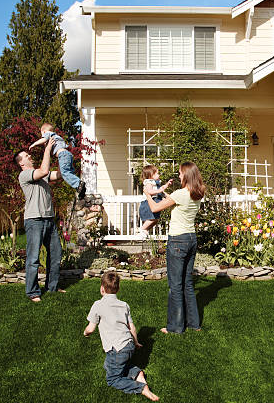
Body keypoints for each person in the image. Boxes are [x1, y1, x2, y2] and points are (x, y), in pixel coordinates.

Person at [145, 162, 205, 334]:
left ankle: (175, 327)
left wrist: (147, 194)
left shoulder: (180, 194)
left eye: (180, 173)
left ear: (186, 175)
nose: (179, 176)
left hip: (178, 241)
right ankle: (194, 324)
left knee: (175, 285)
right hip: (191, 239)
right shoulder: (197, 193)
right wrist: (164, 192)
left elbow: (155, 207)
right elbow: (176, 199)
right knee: (187, 283)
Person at [83, 271, 159, 401]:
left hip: (117, 349)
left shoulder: (98, 305)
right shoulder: (124, 305)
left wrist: (85, 333)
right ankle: (137, 373)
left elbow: (90, 329)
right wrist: (136, 342)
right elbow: (132, 327)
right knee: (108, 365)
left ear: (102, 288)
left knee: (112, 379)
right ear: (118, 288)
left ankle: (140, 388)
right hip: (129, 345)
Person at [14, 139, 66, 302]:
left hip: (49, 219)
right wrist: (47, 148)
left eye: (28, 154)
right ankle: (32, 292)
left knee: (56, 254)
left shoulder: (40, 174)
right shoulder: (24, 175)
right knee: (33, 258)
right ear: (21, 163)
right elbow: (44, 170)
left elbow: (58, 175)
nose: (29, 156)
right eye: (26, 156)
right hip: (34, 220)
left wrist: (64, 159)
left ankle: (52, 286)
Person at [29, 122, 86, 199]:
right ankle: (79, 188)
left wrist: (34, 144)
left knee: (65, 172)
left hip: (62, 155)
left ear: (44, 131)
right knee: (68, 173)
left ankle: (78, 183)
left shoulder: (48, 134)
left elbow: (44, 139)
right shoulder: (57, 136)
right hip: (68, 155)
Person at [136, 165, 172, 240]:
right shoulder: (149, 182)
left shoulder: (155, 182)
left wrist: (167, 184)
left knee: (155, 219)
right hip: (148, 204)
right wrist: (159, 191)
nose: (158, 175)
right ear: (151, 175)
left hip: (153, 202)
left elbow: (161, 189)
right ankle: (142, 229)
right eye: (156, 174)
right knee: (152, 218)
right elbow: (149, 191)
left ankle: (145, 230)